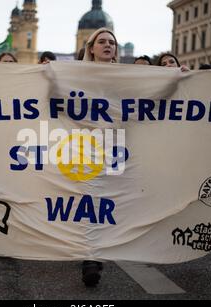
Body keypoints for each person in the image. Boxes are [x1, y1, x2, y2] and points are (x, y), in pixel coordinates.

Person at [79, 27, 119, 287]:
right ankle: (89, 259)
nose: (108, 45)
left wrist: (178, 77)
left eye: (112, 42)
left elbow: (154, 94)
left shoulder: (127, 77)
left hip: (119, 148)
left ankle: (98, 250)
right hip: (85, 147)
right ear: (91, 48)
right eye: (102, 42)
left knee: (112, 201)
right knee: (91, 199)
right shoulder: (76, 76)